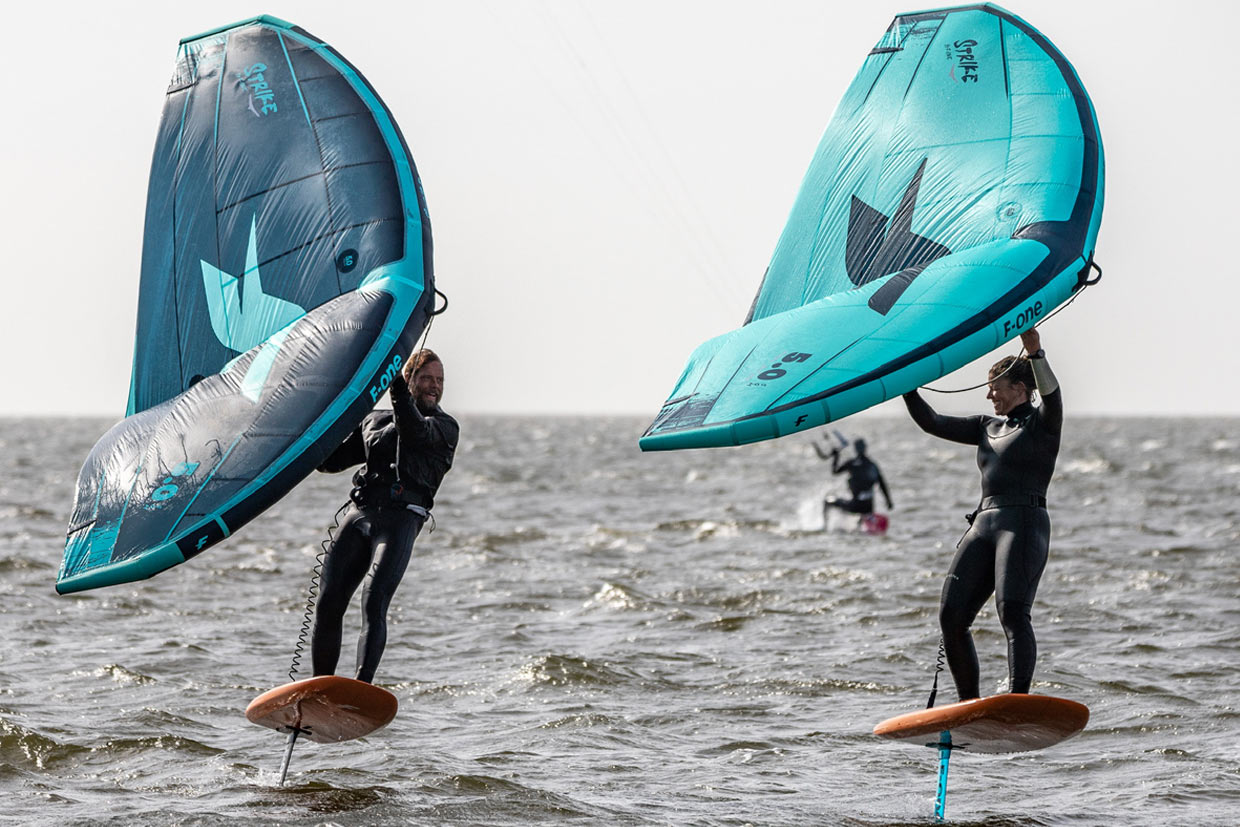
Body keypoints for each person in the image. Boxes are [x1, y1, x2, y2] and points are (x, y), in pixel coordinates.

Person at [902, 328, 1060, 700]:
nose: (990, 394)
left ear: (1021, 388)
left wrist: (1035, 352)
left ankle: (1018, 699)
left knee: (1012, 612)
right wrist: (906, 385)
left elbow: (1052, 393)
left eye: (996, 387)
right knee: (951, 617)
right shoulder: (984, 428)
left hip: (1022, 524)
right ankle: (968, 703)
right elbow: (931, 421)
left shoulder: (1043, 422)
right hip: (983, 524)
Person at [311, 348, 459, 683]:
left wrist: (391, 380)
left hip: (399, 522)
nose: (434, 386)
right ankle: (321, 687)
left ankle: (360, 688)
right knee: (328, 602)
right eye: (426, 379)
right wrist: (311, 420)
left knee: (373, 603)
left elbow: (413, 430)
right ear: (410, 379)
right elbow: (329, 461)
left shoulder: (445, 427)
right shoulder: (373, 420)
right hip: (359, 516)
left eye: (439, 381)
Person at [815, 436, 893, 522]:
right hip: (869, 508)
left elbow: (835, 471)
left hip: (855, 506)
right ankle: (861, 521)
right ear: (865, 448)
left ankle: (825, 527)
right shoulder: (872, 465)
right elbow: (882, 484)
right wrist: (889, 501)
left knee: (828, 501)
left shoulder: (851, 464)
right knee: (859, 504)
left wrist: (836, 456)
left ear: (855, 449)